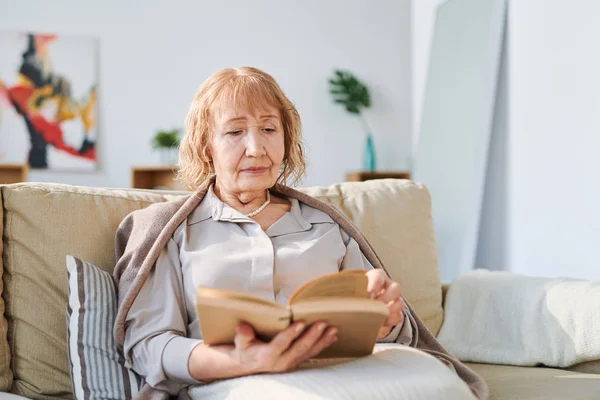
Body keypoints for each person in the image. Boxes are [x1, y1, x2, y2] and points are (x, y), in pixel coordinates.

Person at [114, 66, 487, 399]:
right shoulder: (172, 232)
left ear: (285, 138)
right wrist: (237, 361)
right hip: (234, 382)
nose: (256, 147)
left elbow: (395, 334)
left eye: (268, 129)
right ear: (205, 146)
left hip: (352, 373)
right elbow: (149, 345)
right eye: (235, 132)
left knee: (441, 388)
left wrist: (385, 318)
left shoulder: (325, 223)